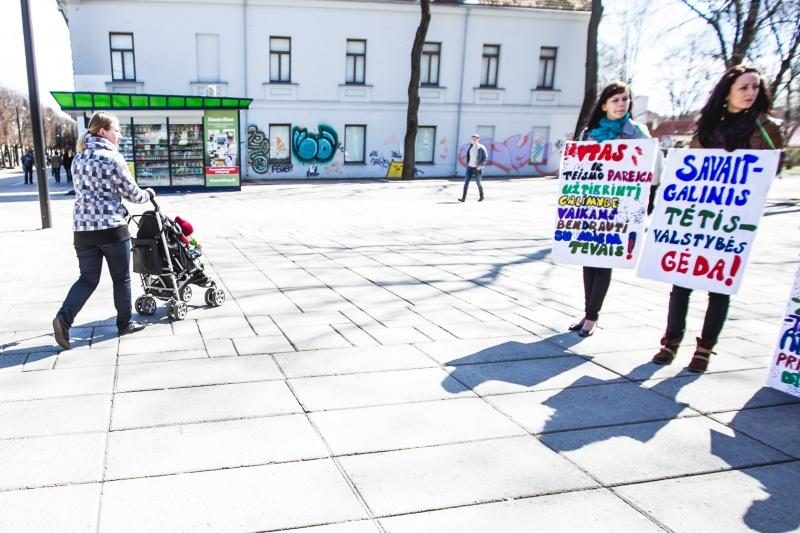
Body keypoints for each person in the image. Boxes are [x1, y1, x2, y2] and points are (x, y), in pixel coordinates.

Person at [651, 65, 783, 372]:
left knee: (720, 284)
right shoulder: (709, 128)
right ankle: (670, 342)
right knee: (681, 283)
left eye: (754, 87)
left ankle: (705, 349)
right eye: (744, 87)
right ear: (727, 93)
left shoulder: (766, 127)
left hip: (733, 219)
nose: (750, 93)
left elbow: (769, 171)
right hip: (698, 219)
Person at [52, 111, 156, 350]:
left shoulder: (78, 158)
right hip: (111, 228)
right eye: (116, 130)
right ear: (103, 132)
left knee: (88, 278)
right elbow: (133, 194)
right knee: (121, 278)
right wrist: (149, 193)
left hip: (82, 229)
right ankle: (124, 324)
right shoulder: (112, 158)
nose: (119, 135)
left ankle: (63, 319)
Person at [569, 81, 654, 337]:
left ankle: (592, 318)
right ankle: (587, 312)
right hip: (592, 205)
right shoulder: (591, 133)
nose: (621, 104)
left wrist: (645, 204)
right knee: (588, 260)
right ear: (604, 104)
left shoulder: (638, 133)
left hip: (621, 206)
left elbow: (649, 171)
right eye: (615, 100)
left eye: (625, 99)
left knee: (604, 261)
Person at [458, 133, 488, 202]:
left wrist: (480, 165)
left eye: (475, 139)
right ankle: (463, 198)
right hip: (469, 168)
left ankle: (482, 196)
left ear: (478, 139)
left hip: (477, 168)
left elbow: (485, 158)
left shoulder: (481, 147)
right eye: (472, 139)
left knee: (478, 183)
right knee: (466, 182)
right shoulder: (470, 146)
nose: (473, 140)